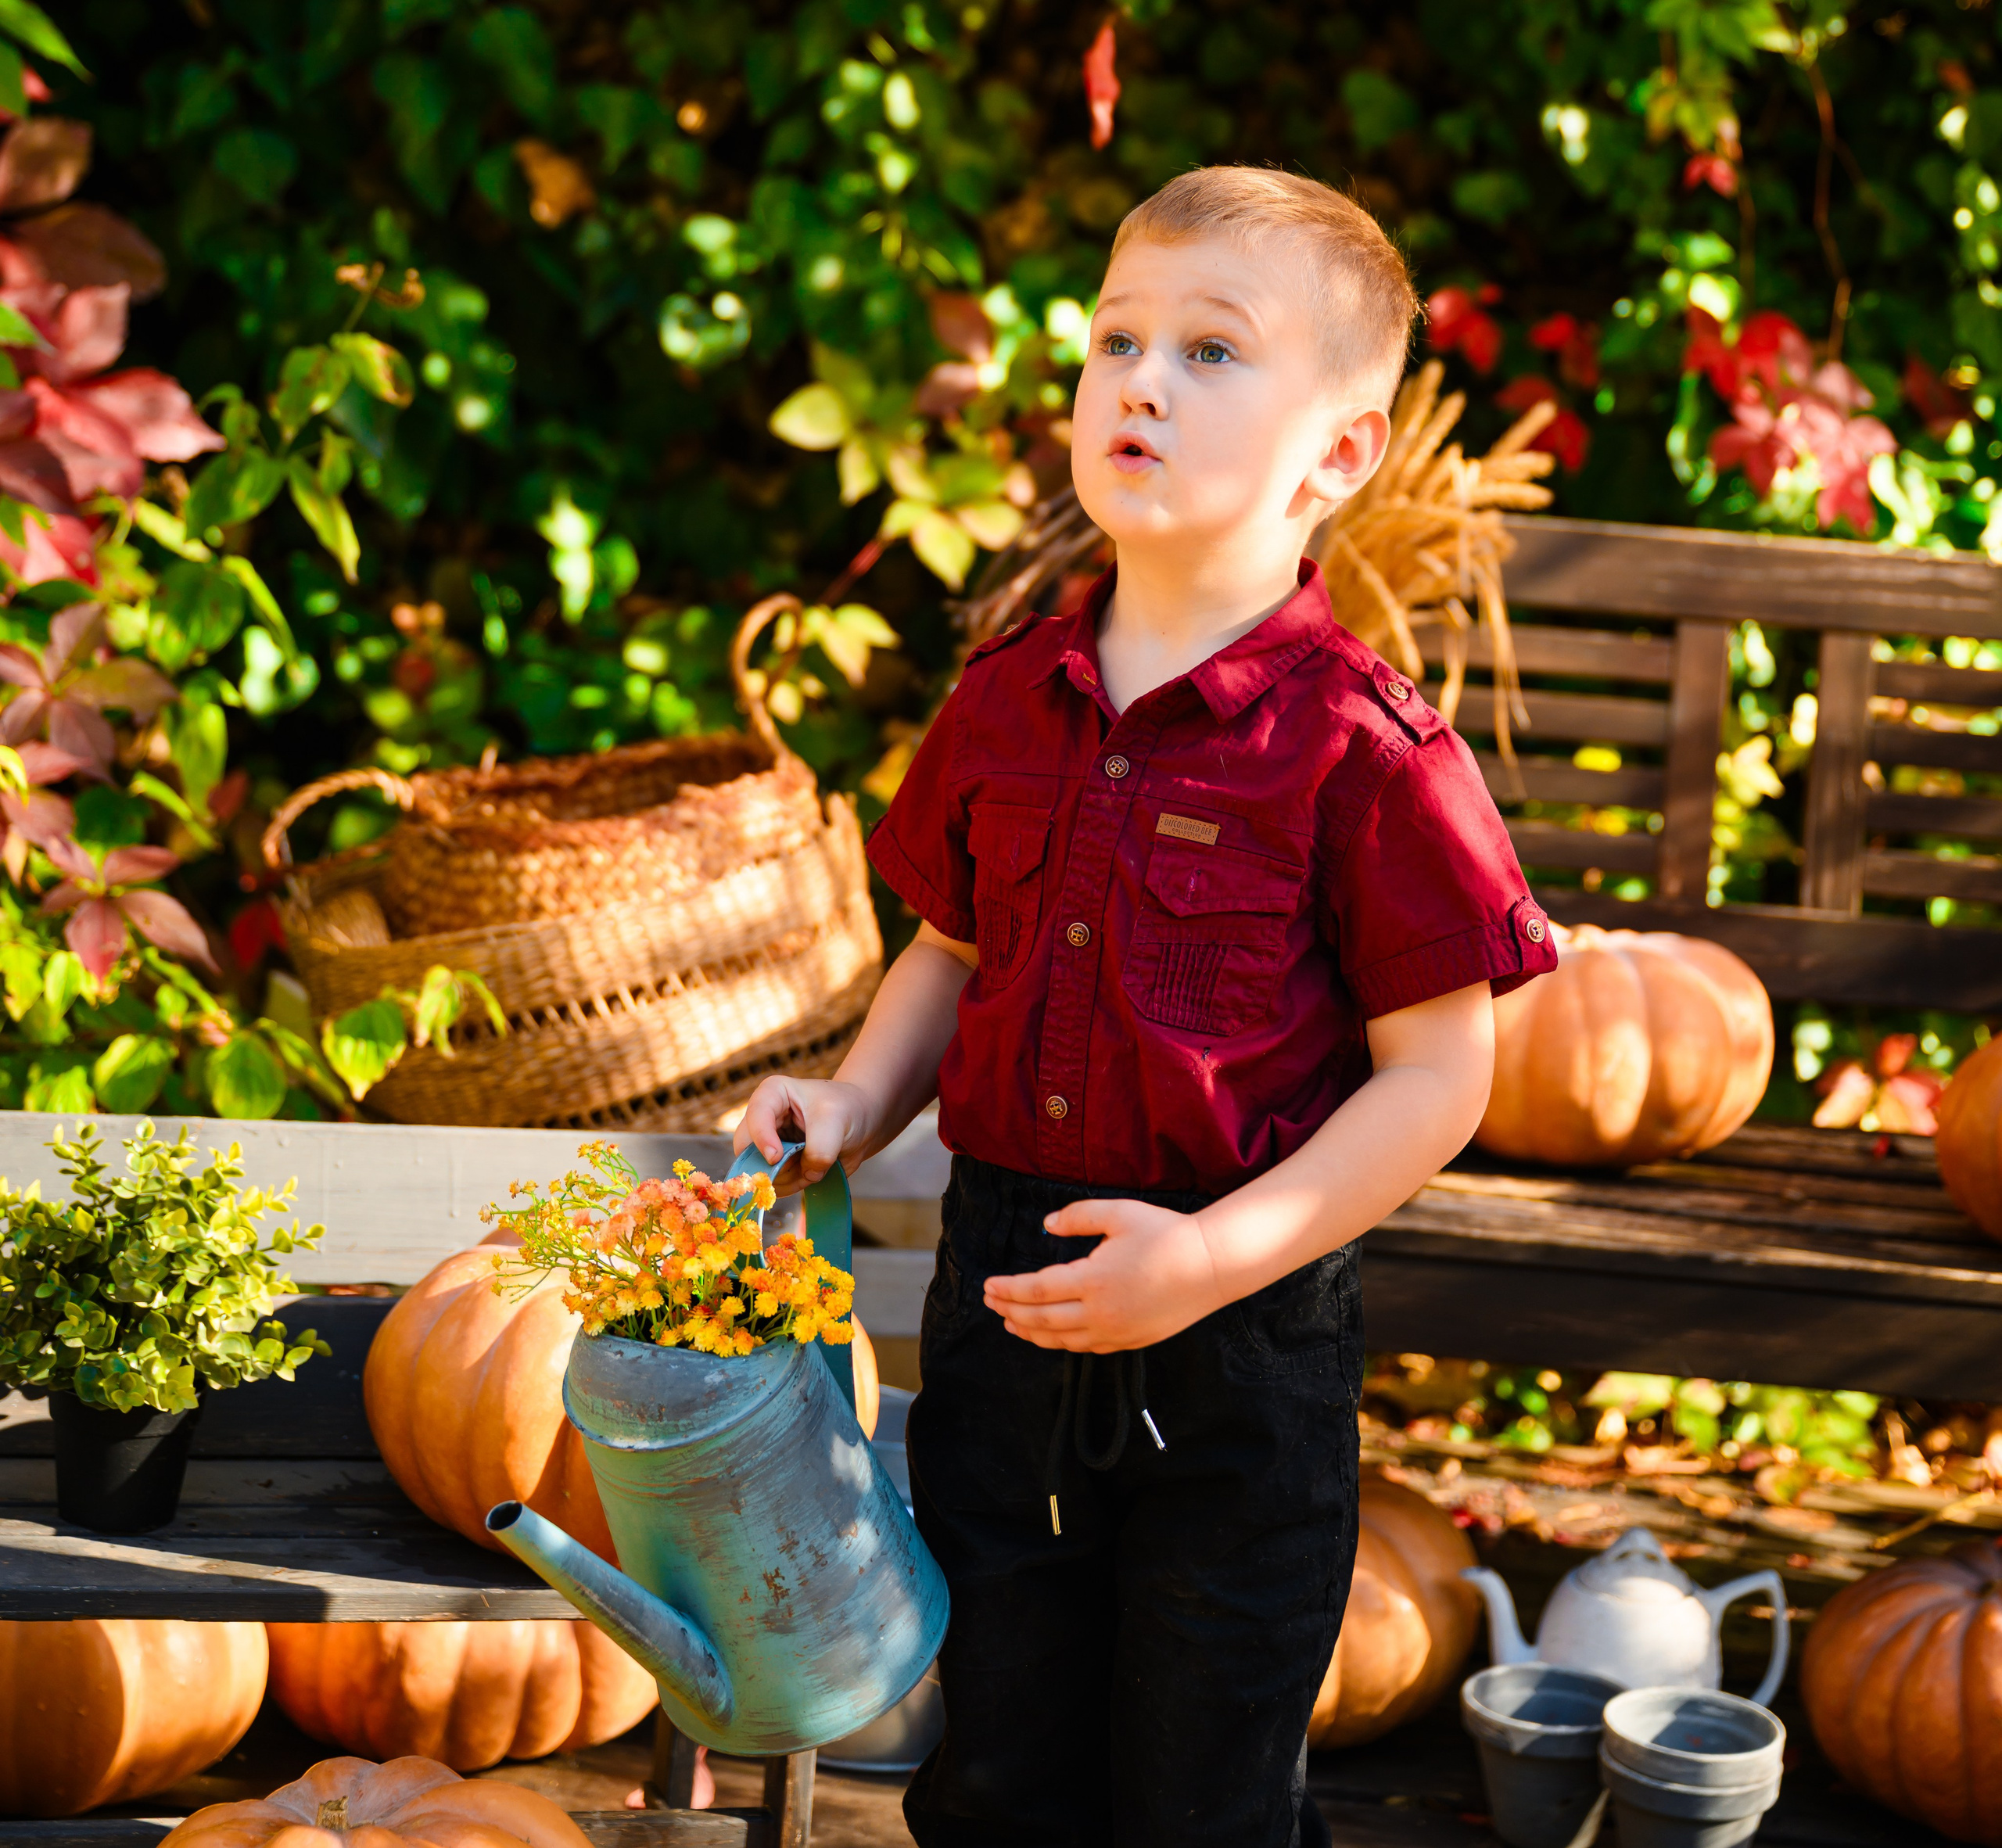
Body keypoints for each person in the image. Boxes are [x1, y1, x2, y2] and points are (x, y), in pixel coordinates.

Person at [735, 165, 1558, 1847]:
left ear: (1336, 454)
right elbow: (948, 952)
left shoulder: (1363, 754)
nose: (1138, 379)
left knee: (1203, 1783)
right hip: (1003, 1303)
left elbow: (1435, 1080)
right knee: (1001, 1761)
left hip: (1238, 1335)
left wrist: (1210, 1259)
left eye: (1207, 349)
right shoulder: (1002, 703)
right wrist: (852, 1098)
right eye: (1117, 337)